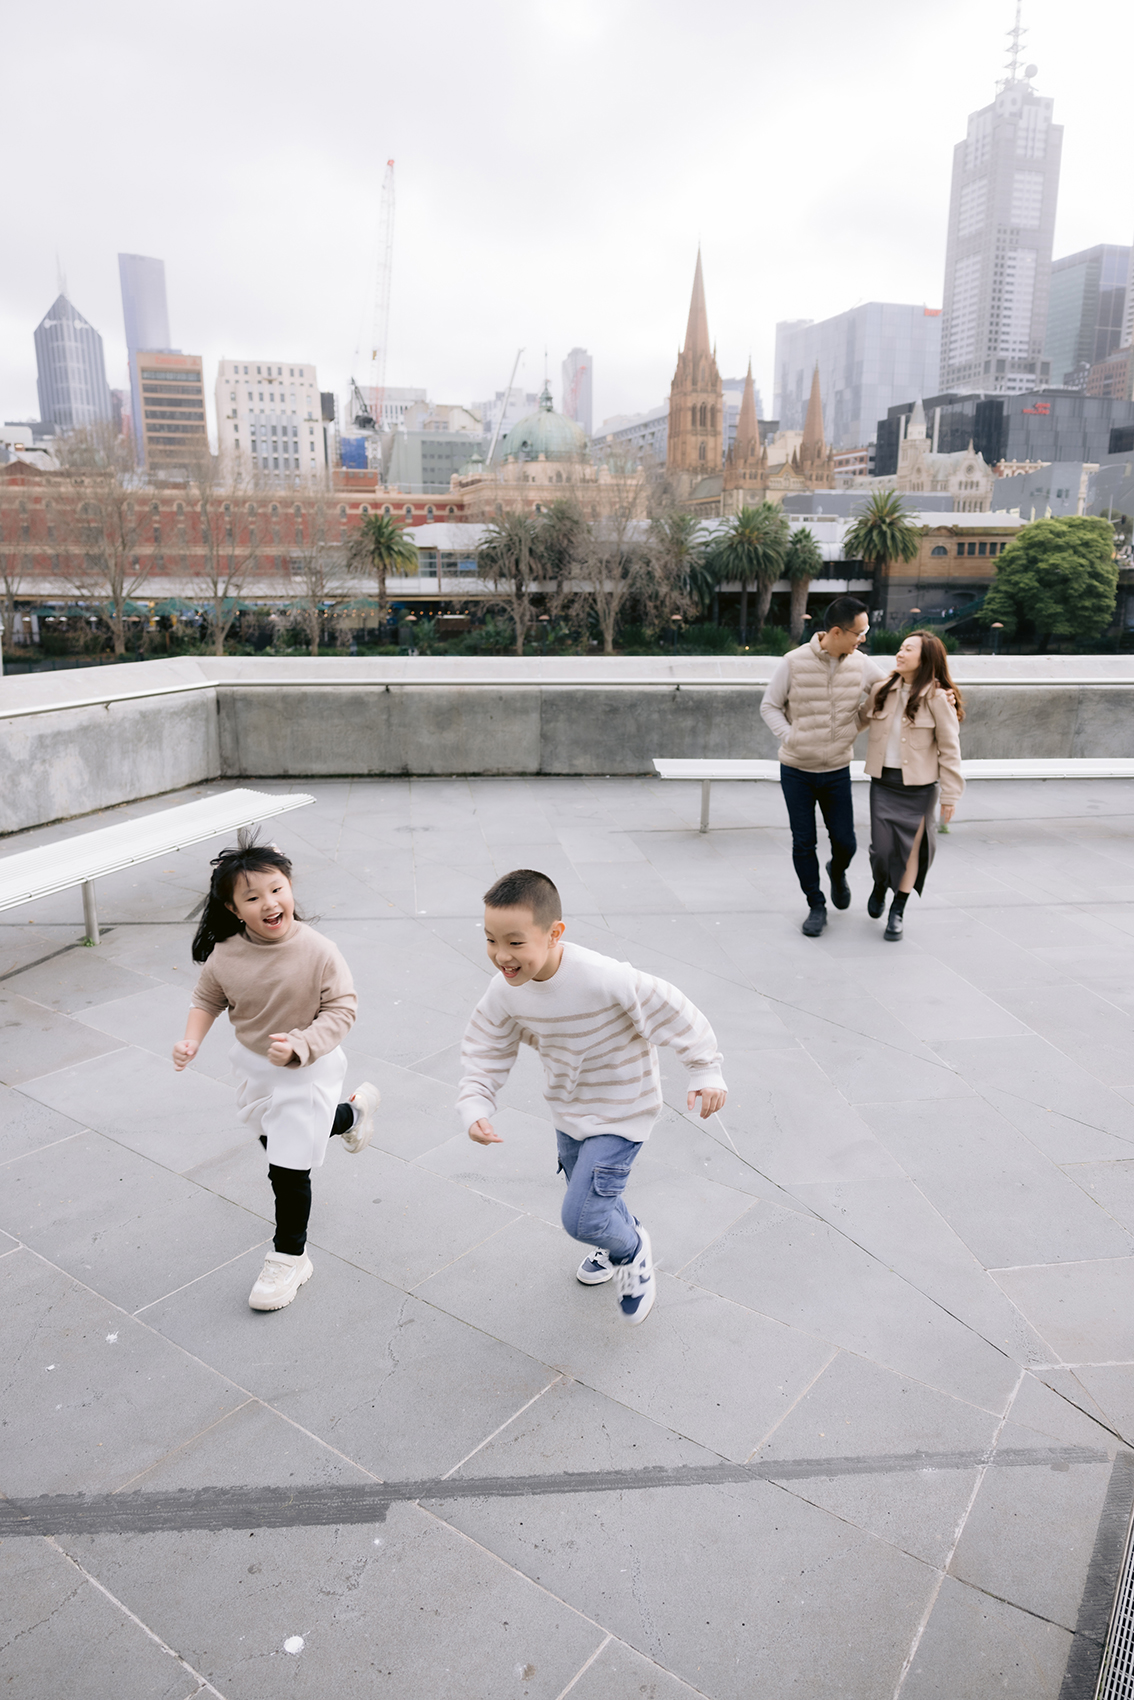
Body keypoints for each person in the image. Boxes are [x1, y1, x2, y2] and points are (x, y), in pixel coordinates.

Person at [458, 869, 727, 1327]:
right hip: (569, 1110)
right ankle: (616, 1231)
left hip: (624, 1109)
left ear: (554, 933)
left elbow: (674, 1009)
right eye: (490, 940)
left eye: (515, 942)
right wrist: (475, 1103)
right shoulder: (505, 991)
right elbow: (486, 1045)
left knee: (581, 1217)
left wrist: (706, 1069)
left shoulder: (604, 978)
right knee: (587, 1194)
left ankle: (630, 1250)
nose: (501, 955)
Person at [172, 831, 380, 1312]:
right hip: (255, 1065)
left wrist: (301, 1045)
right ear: (233, 909)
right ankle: (352, 1115)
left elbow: (342, 1009)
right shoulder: (226, 953)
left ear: (289, 888)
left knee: (287, 1165)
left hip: (308, 1066)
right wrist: (191, 1039)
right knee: (280, 1139)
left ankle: (290, 1256)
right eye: (252, 897)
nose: (269, 902)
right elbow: (207, 998)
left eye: (276, 889)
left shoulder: (319, 950)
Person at [759, 595, 887, 937]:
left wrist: (861, 720)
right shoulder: (793, 661)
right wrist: (791, 736)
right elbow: (770, 706)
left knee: (846, 842)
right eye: (859, 632)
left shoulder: (861, 663)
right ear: (837, 631)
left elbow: (888, 689)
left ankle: (837, 871)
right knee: (804, 843)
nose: (863, 638)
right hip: (797, 770)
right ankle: (816, 905)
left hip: (836, 770)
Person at [859, 630, 964, 941]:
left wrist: (950, 794)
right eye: (900, 648)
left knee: (911, 852)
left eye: (908, 649)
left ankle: (898, 910)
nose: (900, 653)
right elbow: (858, 719)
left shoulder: (937, 698)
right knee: (881, 849)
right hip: (884, 784)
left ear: (925, 658)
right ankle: (880, 884)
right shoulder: (882, 689)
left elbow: (950, 748)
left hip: (920, 789)